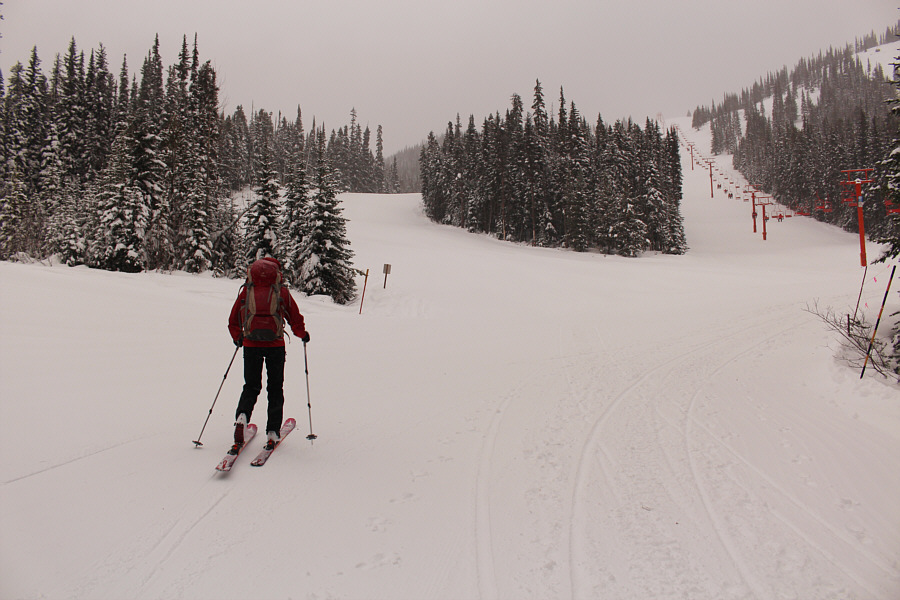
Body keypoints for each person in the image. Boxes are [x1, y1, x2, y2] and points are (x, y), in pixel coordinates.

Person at [228, 257, 309, 451]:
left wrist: (238, 337)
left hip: (250, 344)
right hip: (275, 345)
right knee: (275, 388)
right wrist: (302, 334)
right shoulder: (281, 291)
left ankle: (243, 417)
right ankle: (272, 431)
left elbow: (233, 319)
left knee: (251, 386)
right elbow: (294, 317)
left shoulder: (246, 292)